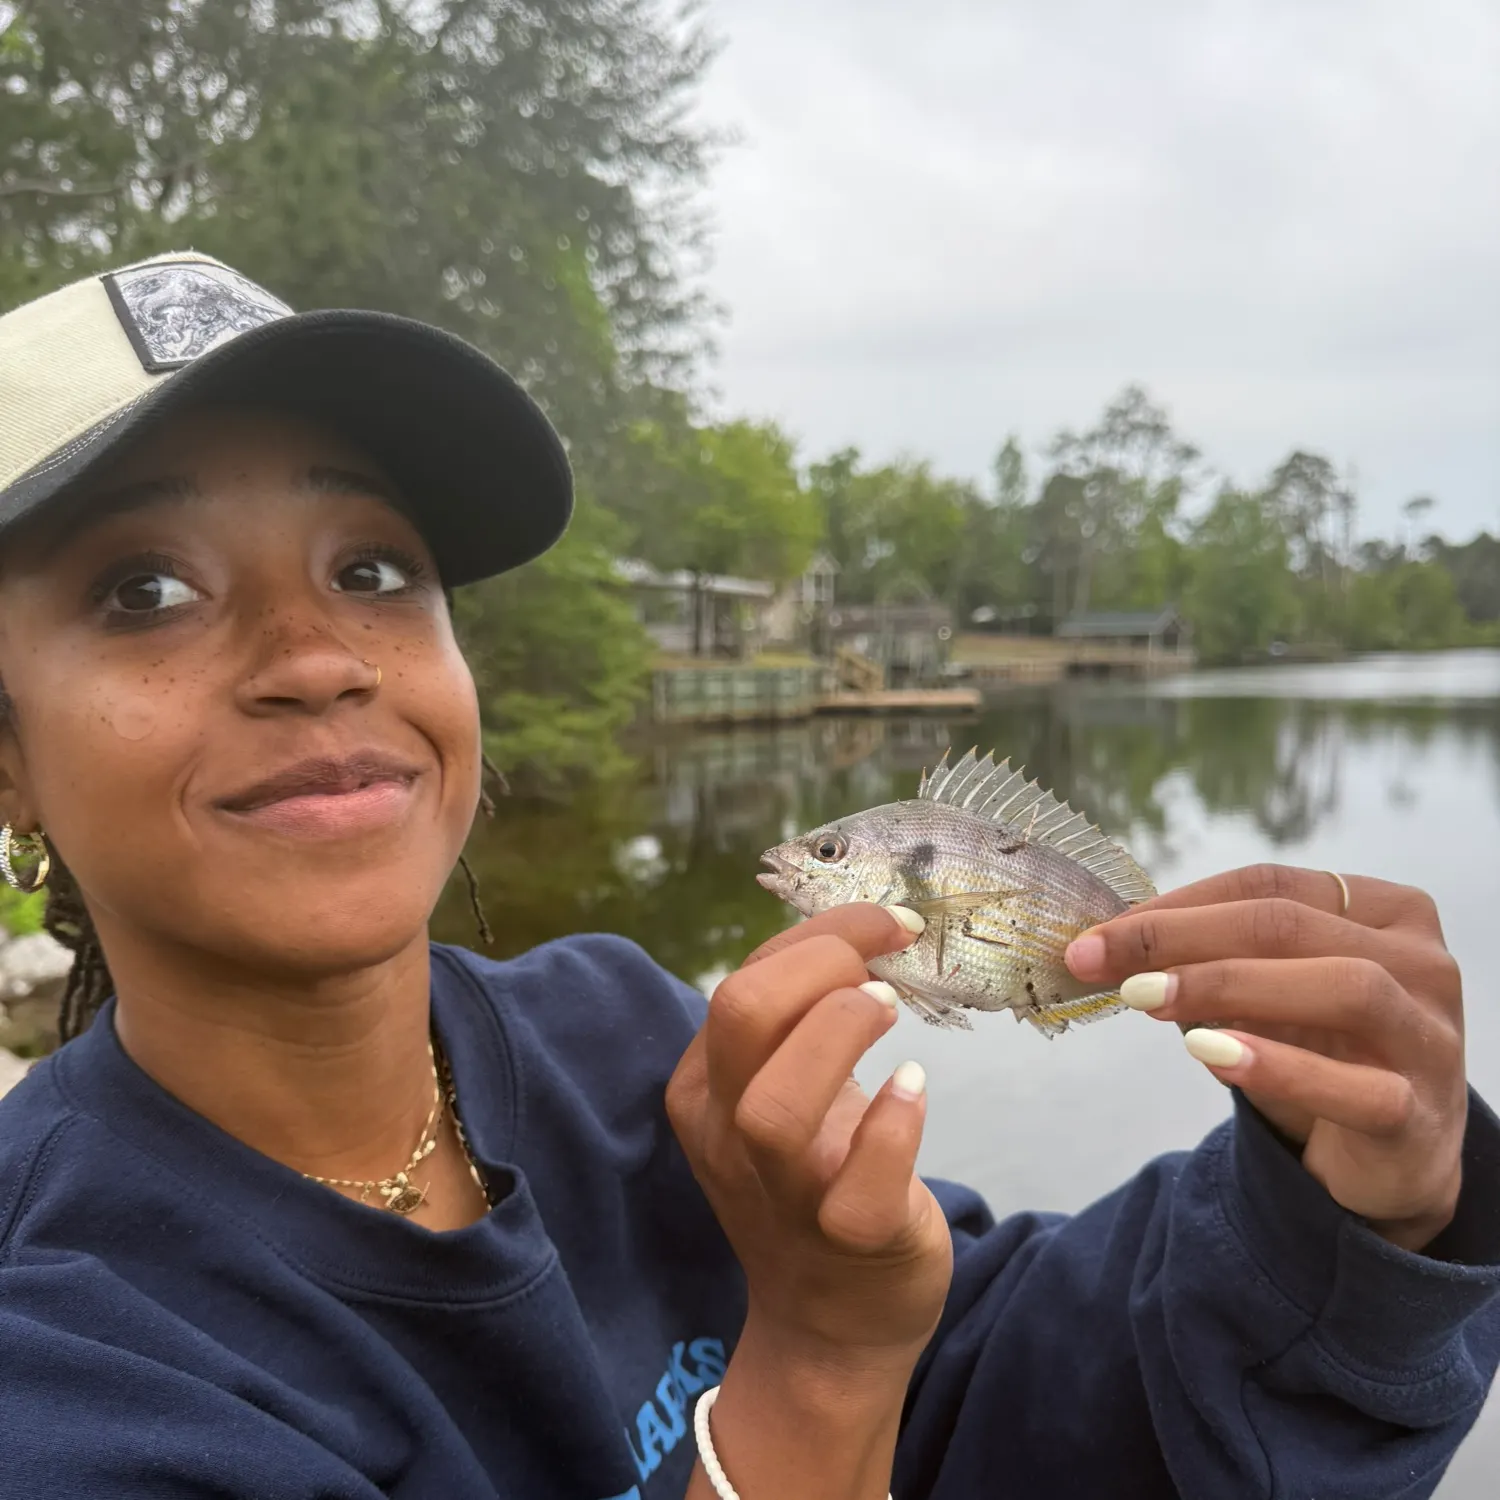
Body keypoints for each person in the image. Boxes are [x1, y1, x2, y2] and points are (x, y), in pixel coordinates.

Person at [0, 252, 1496, 1500]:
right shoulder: (65, 1369)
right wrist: (821, 1366)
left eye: (374, 567)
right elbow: (873, 1356)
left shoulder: (618, 1034)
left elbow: (998, 1383)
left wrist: (1357, 1213)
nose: (320, 656)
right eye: (146, 589)